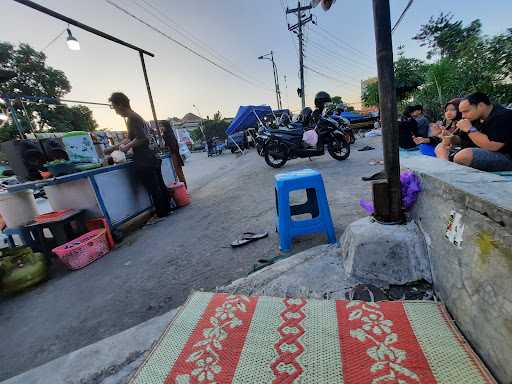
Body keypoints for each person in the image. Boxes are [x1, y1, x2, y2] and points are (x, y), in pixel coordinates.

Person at [105, 92, 171, 217]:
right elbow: (130, 138)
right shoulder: (135, 117)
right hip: (150, 156)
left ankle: (163, 213)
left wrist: (126, 147)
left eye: (114, 107)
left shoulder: (132, 118)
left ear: (120, 105)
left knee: (154, 187)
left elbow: (142, 138)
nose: (115, 111)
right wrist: (112, 148)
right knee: (159, 185)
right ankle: (167, 209)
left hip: (145, 158)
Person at [448, 92, 512, 172]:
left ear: (481, 105)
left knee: (463, 156)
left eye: (466, 111)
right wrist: (452, 138)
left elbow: (493, 146)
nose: (463, 116)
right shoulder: (476, 118)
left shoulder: (503, 116)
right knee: (441, 147)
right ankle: (445, 173)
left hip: (507, 157)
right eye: (462, 113)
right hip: (486, 151)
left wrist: (470, 129)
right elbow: (465, 140)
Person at [161, 120, 187, 188]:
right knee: (178, 172)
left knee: (178, 172)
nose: (161, 128)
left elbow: (172, 146)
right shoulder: (168, 133)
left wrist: (166, 147)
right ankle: (183, 188)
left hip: (174, 154)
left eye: (162, 126)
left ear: (165, 126)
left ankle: (184, 188)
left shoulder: (168, 134)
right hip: (174, 154)